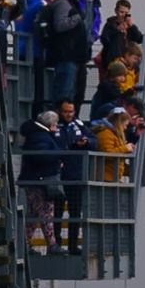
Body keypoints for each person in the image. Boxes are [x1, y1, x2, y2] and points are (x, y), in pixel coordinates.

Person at [54, 98, 93, 251]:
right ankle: (56, 244)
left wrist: (87, 142)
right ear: (59, 111)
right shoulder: (53, 125)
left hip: (75, 176)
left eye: (71, 111)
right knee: (56, 212)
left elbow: (94, 141)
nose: (69, 114)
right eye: (66, 111)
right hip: (57, 176)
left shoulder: (78, 125)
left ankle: (72, 245)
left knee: (75, 212)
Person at [20, 109, 62, 252]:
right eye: (56, 123)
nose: (57, 126)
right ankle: (51, 244)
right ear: (51, 124)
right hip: (40, 180)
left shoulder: (36, 134)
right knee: (45, 212)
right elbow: (42, 156)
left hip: (35, 179)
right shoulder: (41, 136)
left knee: (34, 213)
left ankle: (25, 244)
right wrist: (58, 157)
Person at [90, 105, 133, 182]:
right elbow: (107, 153)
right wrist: (125, 148)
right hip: (104, 178)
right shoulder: (105, 134)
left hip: (110, 177)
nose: (125, 128)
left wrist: (132, 170)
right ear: (119, 123)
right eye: (125, 125)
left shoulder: (114, 134)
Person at [99, 0, 142, 67]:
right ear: (116, 11)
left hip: (128, 62)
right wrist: (117, 30)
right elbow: (104, 39)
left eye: (126, 13)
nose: (123, 15)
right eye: (121, 12)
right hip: (113, 62)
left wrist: (132, 26)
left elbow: (139, 39)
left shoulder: (130, 27)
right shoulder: (110, 24)